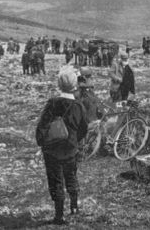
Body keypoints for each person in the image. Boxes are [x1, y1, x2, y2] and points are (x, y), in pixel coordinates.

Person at [36, 67, 88, 225]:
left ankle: (59, 215)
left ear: (59, 84)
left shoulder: (52, 103)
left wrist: (42, 143)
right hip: (70, 149)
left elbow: (42, 127)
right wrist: (74, 142)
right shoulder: (78, 106)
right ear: (75, 85)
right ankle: (74, 206)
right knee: (71, 176)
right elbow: (83, 129)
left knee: (56, 181)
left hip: (52, 150)